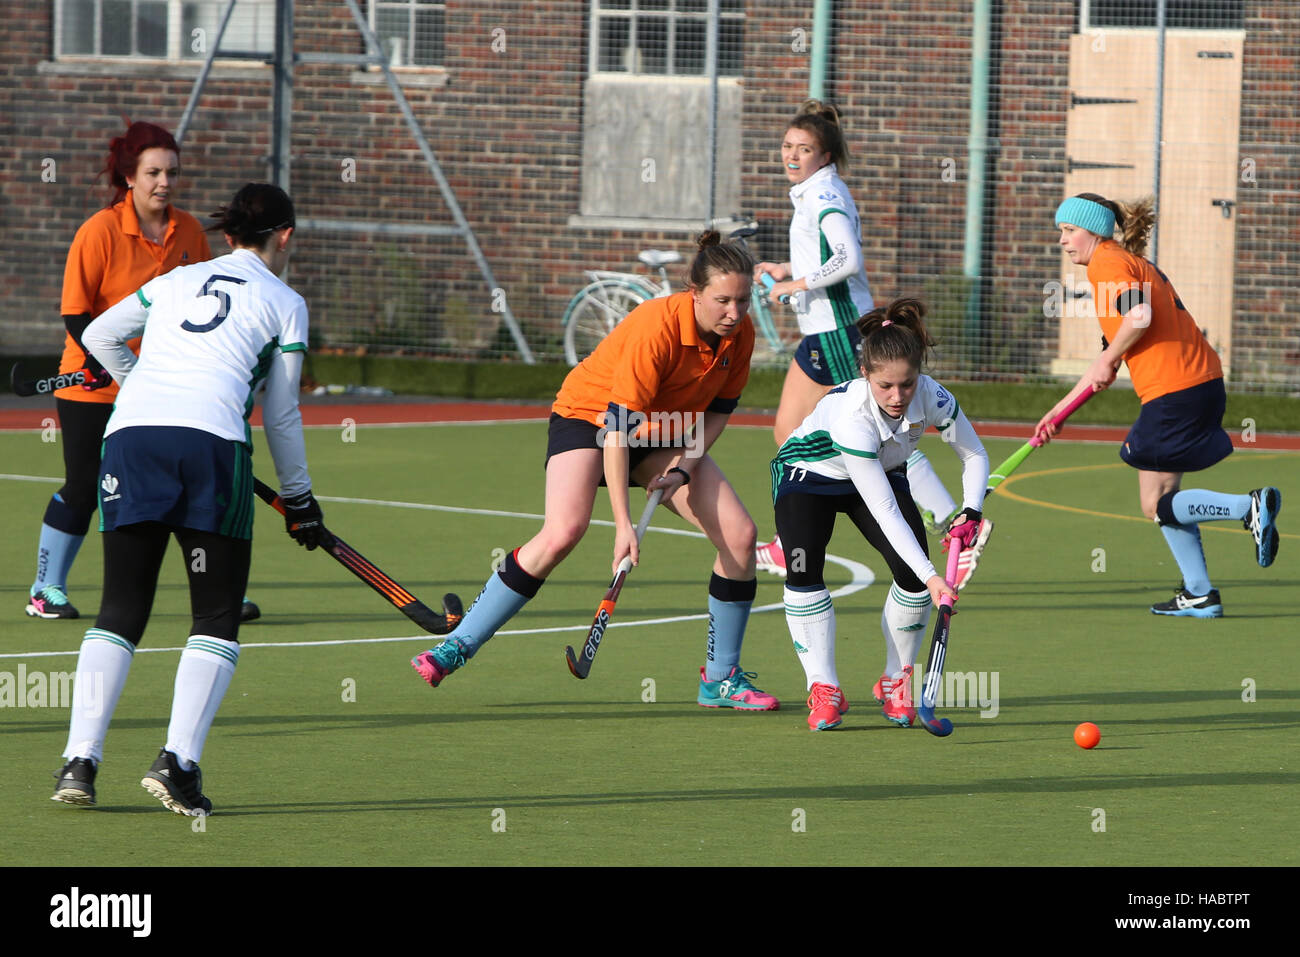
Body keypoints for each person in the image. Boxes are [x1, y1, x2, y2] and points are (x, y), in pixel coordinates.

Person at [412, 232, 779, 711]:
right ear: (693, 293)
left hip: (664, 431)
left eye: (743, 300)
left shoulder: (740, 335)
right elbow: (616, 431)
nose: (734, 312)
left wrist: (684, 471)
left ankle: (720, 679)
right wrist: (623, 526)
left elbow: (717, 414)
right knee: (564, 530)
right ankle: (457, 645)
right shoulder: (657, 329)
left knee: (740, 534)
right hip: (590, 420)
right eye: (722, 300)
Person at [50, 183, 325, 815]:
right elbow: (281, 414)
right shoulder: (286, 301)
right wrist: (301, 500)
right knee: (215, 616)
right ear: (284, 236)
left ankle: (79, 762)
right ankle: (178, 762)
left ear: (229, 236)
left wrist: (139, 387)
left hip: (131, 440)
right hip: (211, 449)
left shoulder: (175, 279)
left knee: (119, 609)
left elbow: (99, 335)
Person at [1037, 193, 1280, 617]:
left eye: (1069, 230)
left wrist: (1110, 356)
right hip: (1198, 383)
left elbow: (1139, 318)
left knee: (1156, 502)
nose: (1063, 240)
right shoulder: (1127, 265)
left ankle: (1247, 507)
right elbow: (1107, 366)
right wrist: (1059, 413)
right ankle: (1200, 593)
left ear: (1094, 231)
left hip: (1175, 390)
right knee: (1161, 497)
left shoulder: (1108, 265)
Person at [751, 100, 962, 577]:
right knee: (789, 431)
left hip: (839, 330)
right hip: (822, 331)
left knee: (884, 429)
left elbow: (845, 259)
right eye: (787, 146)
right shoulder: (813, 191)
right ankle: (790, 541)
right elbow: (825, 256)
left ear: (824, 156)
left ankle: (951, 523)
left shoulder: (823, 195)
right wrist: (786, 269)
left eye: (804, 149)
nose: (792, 155)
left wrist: (795, 285)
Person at [25, 121, 217, 621]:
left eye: (172, 172)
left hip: (163, 386)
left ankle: (216, 590)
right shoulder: (99, 231)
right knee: (86, 486)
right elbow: (76, 312)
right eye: (153, 172)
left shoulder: (191, 232)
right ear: (130, 176)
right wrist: (99, 365)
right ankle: (46, 589)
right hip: (91, 386)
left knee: (182, 487)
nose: (164, 182)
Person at [771, 298, 989, 730]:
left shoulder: (933, 396)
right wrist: (934, 577)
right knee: (804, 566)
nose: (897, 397)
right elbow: (885, 511)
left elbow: (974, 453)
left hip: (880, 473)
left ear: (919, 376)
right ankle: (824, 686)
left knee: (909, 577)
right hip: (807, 476)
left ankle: (896, 681)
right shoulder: (854, 417)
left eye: (906, 385)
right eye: (885, 386)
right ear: (865, 374)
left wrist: (970, 510)